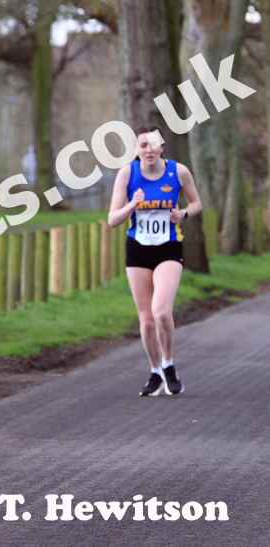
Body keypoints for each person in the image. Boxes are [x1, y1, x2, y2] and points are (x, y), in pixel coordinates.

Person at [108, 125, 202, 397]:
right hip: (137, 249)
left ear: (162, 147)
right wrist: (131, 205)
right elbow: (112, 220)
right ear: (137, 150)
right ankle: (155, 372)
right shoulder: (127, 174)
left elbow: (197, 204)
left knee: (161, 312)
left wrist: (183, 213)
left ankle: (169, 364)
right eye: (143, 146)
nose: (148, 150)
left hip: (168, 248)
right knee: (147, 321)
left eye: (153, 145)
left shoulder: (178, 171)